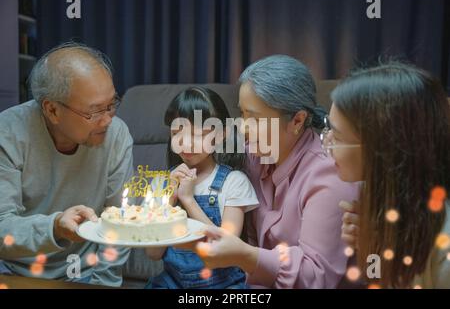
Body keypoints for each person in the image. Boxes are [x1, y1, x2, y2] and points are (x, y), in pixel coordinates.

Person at [197, 55, 359, 288]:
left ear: (297, 121)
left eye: (254, 118)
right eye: (242, 114)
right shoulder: (254, 153)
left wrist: (246, 255)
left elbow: (316, 275)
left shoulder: (330, 174)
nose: (243, 129)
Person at [0, 42, 132, 287]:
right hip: (14, 274)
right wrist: (55, 226)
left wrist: (102, 284)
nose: (107, 120)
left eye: (112, 104)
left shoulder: (117, 135)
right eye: (94, 112)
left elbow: (121, 222)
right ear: (52, 110)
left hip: (86, 275)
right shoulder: (7, 134)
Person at [328, 61, 450, 288]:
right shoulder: (378, 196)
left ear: (382, 148)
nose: (326, 143)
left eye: (337, 136)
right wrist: (370, 249)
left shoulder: (444, 250)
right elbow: (374, 278)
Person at [145, 87, 259, 289]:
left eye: (199, 134)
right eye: (177, 132)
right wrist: (168, 203)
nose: (186, 143)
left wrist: (188, 200)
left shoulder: (234, 182)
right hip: (172, 283)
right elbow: (153, 254)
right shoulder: (161, 184)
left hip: (224, 284)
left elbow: (226, 251)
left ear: (222, 134)